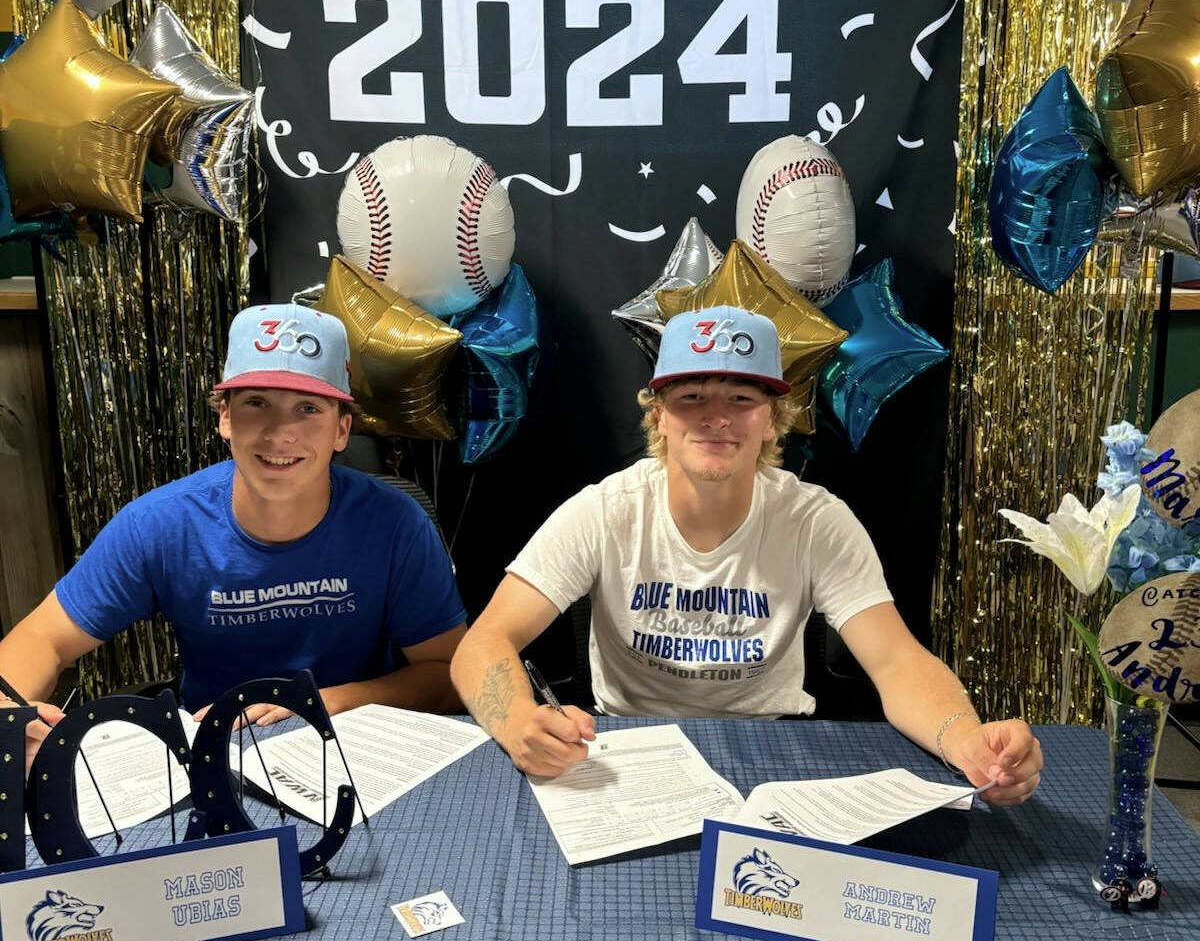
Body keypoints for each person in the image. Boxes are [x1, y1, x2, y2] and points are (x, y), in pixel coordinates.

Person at [451, 305, 1043, 802]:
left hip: (774, 752)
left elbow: (895, 663)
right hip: (628, 748)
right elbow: (483, 644)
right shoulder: (608, 510)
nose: (716, 417)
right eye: (691, 396)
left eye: (741, 397)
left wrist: (964, 739)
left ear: (771, 420)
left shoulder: (816, 521)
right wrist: (517, 722)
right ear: (658, 415)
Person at [1, 303, 467, 770]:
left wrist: (322, 701)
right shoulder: (161, 524)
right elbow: (43, 638)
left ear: (342, 429)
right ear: (225, 417)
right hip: (213, 757)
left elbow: (447, 675)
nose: (280, 433)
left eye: (308, 409)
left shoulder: (396, 524)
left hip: (361, 744)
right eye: (256, 403)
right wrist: (7, 717)